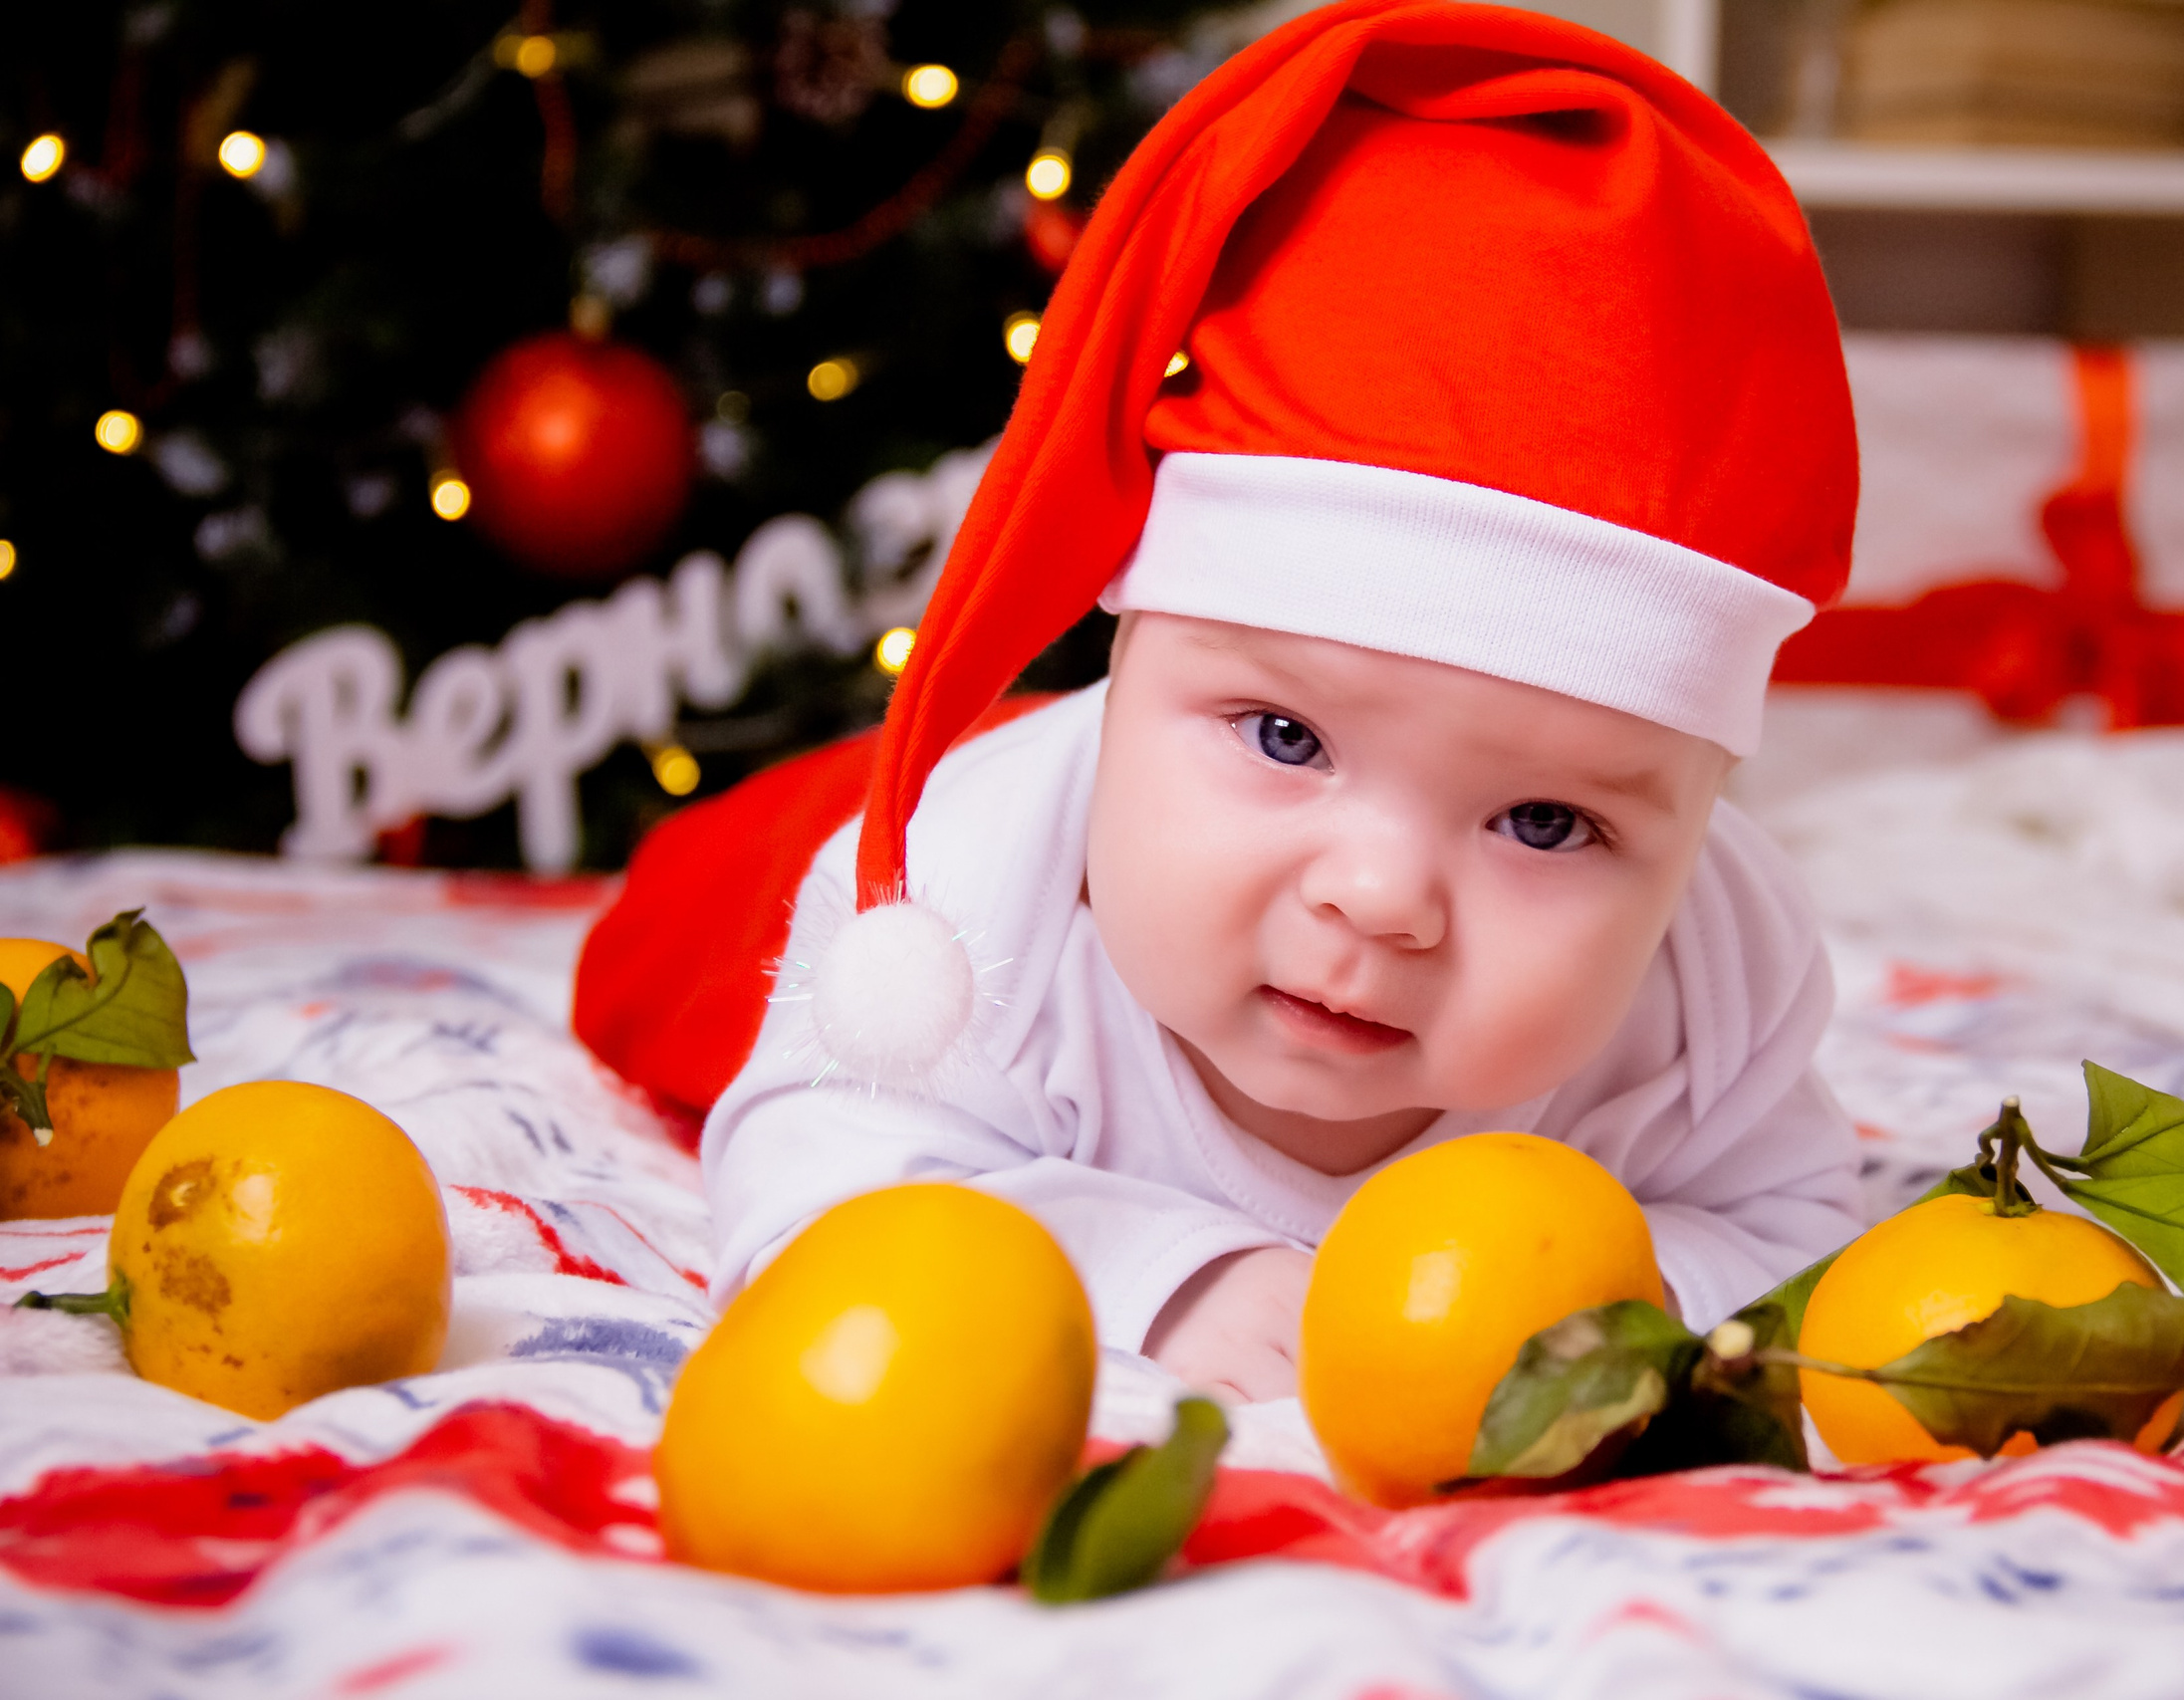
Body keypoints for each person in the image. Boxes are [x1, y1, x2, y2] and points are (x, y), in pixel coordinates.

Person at [695, 0, 1864, 1405]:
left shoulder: (1711, 985)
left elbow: (1804, 1246)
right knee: (701, 933)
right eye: (1287, 738)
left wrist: (1633, 1293)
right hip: (777, 883)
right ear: (1129, 662)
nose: (1380, 901)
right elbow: (808, 1184)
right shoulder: (960, 900)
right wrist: (1150, 1272)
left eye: (1545, 822)